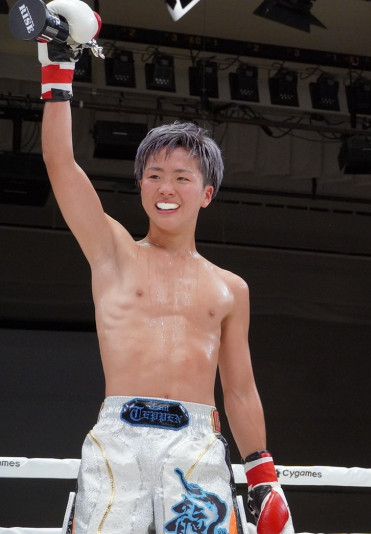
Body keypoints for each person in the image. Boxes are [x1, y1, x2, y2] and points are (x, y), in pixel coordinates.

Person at [34, 1, 293, 532]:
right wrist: (58, 73)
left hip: (196, 444)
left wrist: (262, 475)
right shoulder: (113, 253)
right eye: (154, 175)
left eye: (181, 177)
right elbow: (61, 165)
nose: (165, 188)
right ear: (140, 186)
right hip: (119, 439)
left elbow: (239, 389)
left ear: (206, 193)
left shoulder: (230, 288)